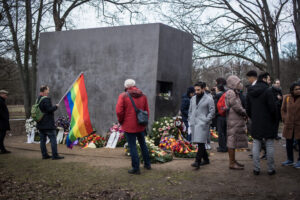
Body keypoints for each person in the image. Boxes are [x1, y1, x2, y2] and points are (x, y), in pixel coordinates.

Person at [116, 79, 150, 174]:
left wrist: (121, 121)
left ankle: (136, 168)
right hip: (140, 125)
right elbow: (147, 110)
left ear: (126, 86)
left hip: (129, 126)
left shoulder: (123, 96)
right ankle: (147, 164)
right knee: (143, 144)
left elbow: (119, 111)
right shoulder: (143, 96)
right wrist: (144, 123)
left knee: (133, 146)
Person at [246, 72, 277, 175]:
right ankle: (271, 169)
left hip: (256, 121)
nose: (269, 81)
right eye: (268, 79)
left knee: (256, 144)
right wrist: (274, 118)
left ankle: (256, 169)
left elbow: (248, 108)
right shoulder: (268, 91)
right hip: (268, 121)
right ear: (264, 79)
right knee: (269, 145)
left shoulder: (250, 91)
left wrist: (253, 117)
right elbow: (273, 108)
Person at [188, 82, 215, 170]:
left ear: (203, 89)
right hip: (194, 123)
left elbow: (212, 111)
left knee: (200, 142)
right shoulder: (193, 98)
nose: (196, 91)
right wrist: (190, 118)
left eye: (198, 90)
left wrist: (206, 120)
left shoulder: (209, 99)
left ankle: (197, 161)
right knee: (199, 142)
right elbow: (190, 110)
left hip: (203, 123)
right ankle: (206, 159)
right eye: (195, 90)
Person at [226, 75, 248, 170]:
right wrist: (245, 112)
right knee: (232, 140)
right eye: (238, 83)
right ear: (233, 84)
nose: (240, 84)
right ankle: (231, 163)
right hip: (233, 120)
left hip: (235, 119)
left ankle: (233, 161)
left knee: (233, 140)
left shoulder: (235, 92)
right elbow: (236, 106)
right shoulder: (231, 93)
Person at [37, 85, 64, 160]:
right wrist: (55, 106)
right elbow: (49, 110)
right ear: (45, 90)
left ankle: (44, 155)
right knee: (53, 140)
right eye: (48, 90)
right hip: (48, 124)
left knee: (42, 140)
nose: (48, 91)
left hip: (40, 123)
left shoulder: (38, 99)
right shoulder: (46, 99)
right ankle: (55, 155)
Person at [281, 81, 300, 169]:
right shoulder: (287, 97)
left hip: (298, 124)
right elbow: (283, 110)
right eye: (296, 89)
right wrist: (285, 118)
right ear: (292, 90)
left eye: (299, 88)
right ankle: (290, 160)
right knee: (289, 142)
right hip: (288, 124)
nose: (298, 90)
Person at [214, 84, 227, 152]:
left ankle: (222, 147)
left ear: (218, 89)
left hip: (219, 116)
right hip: (226, 115)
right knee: (225, 132)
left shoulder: (217, 96)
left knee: (220, 132)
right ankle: (226, 146)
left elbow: (215, 107)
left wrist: (215, 114)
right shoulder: (226, 94)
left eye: (216, 88)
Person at [0, 90, 11, 154]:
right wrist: (5, 117)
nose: (6, 96)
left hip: (2, 121)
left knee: (2, 136)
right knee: (1, 136)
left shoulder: (2, 101)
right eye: (5, 95)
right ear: (1, 94)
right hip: (1, 122)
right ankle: (2, 149)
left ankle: (3, 149)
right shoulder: (0, 101)